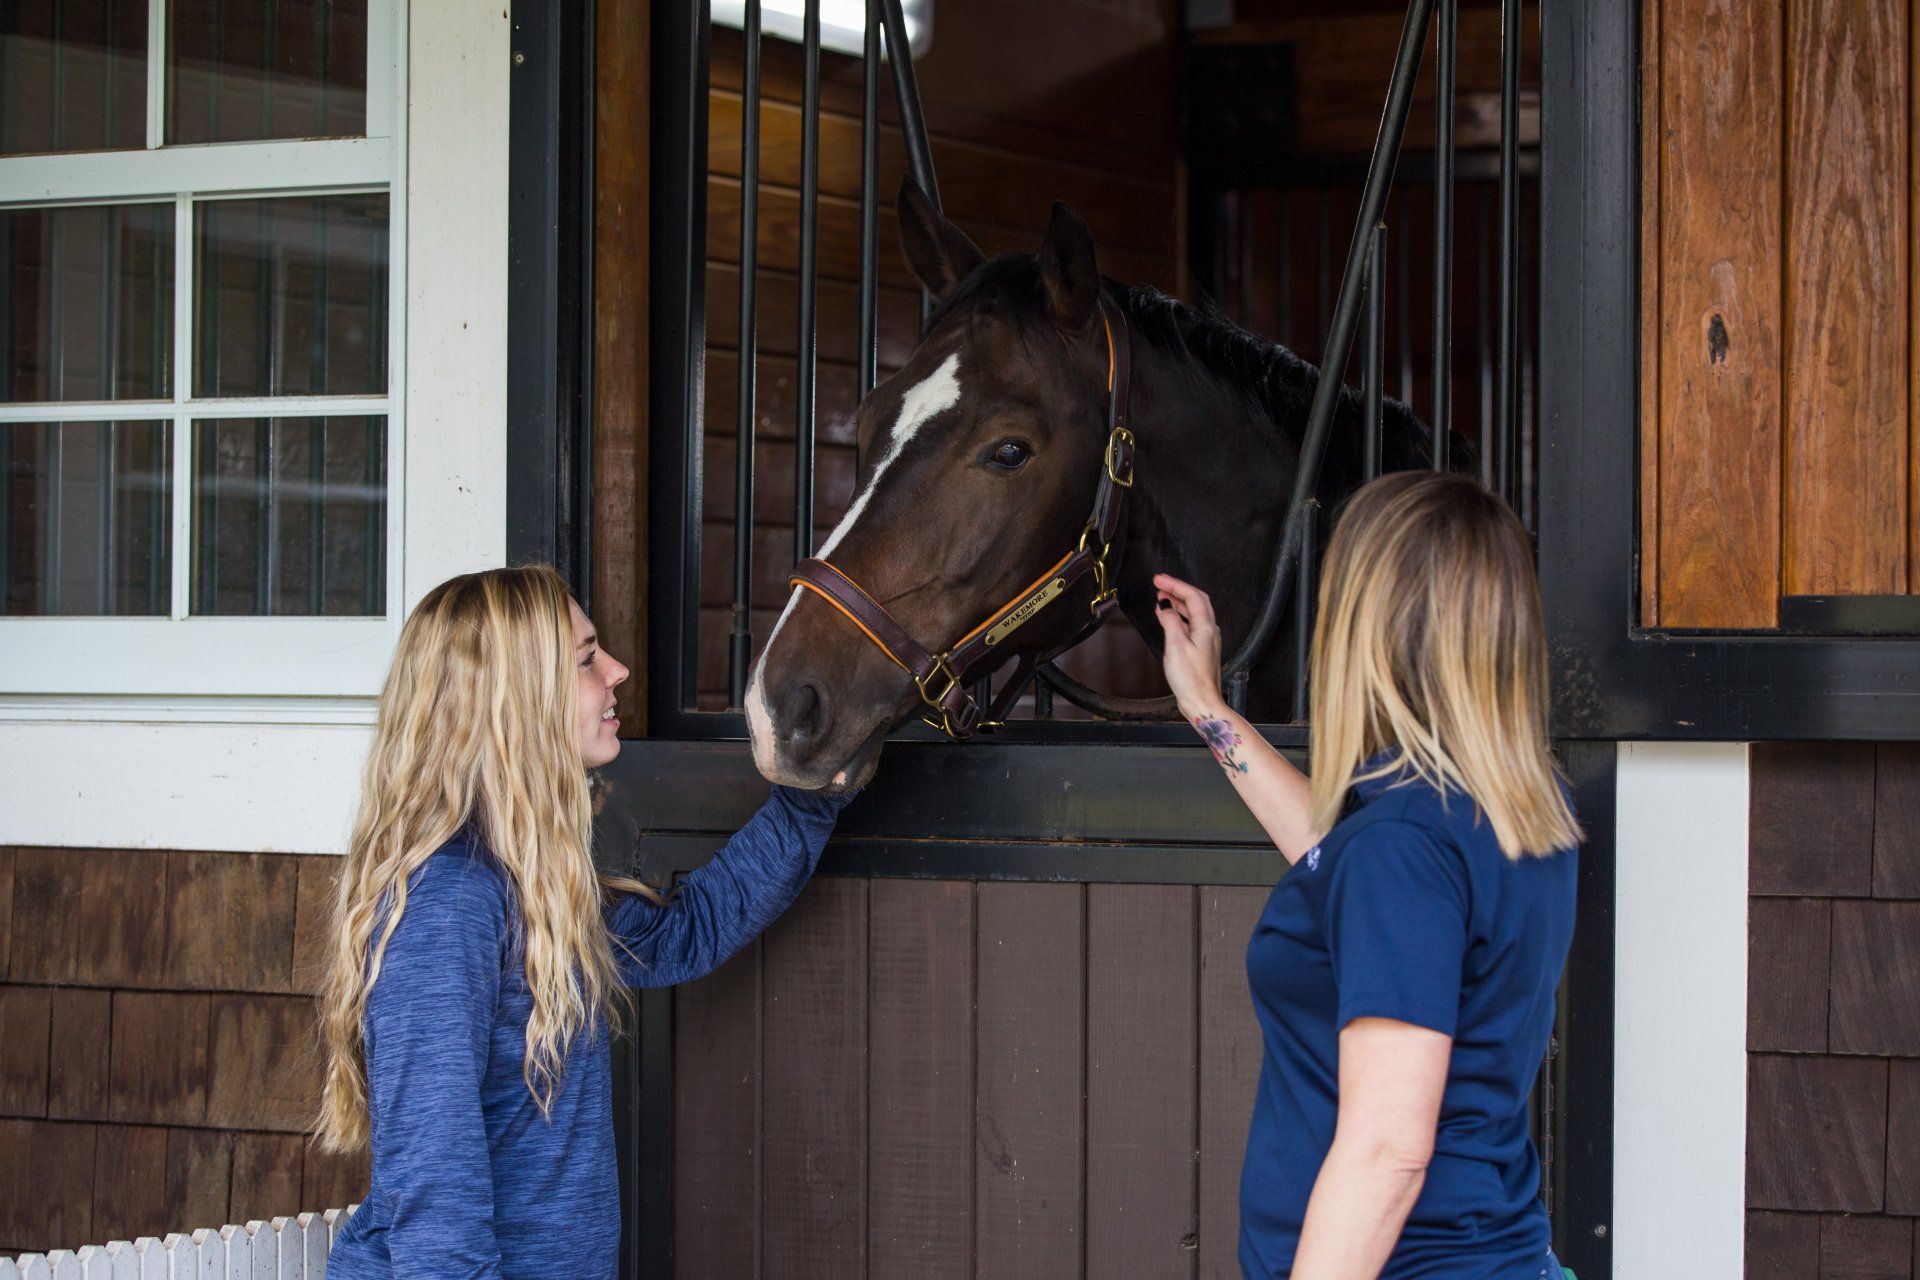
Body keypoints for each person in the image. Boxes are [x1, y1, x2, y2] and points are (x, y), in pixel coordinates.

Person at [314, 565, 854, 1278]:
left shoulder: (535, 884)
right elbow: (434, 1186)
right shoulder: (448, 905)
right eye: (586, 659)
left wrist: (815, 792)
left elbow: (687, 930)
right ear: (517, 699)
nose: (619, 671)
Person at [1155, 471, 1578, 1280]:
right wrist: (1207, 707)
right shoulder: (1505, 802)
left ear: (1369, 624)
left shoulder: (1404, 846)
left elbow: (1387, 1152)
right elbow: (1333, 857)